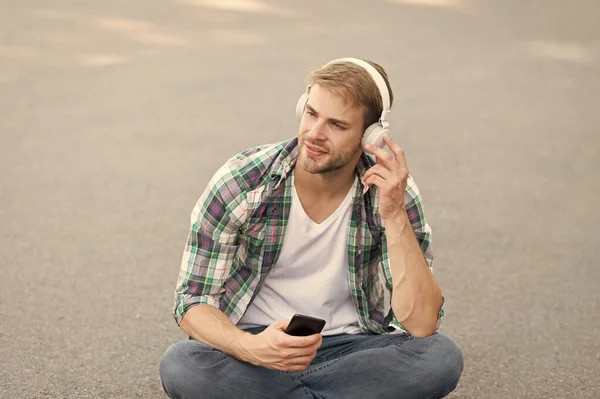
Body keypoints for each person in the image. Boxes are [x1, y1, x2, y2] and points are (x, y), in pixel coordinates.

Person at [159, 57, 463, 399]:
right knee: (183, 364)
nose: (315, 134)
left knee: (440, 357)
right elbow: (193, 300)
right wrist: (250, 347)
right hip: (257, 347)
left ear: (370, 137)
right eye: (312, 113)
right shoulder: (242, 181)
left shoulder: (393, 193)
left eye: (336, 124)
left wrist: (394, 216)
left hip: (354, 350)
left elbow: (422, 323)